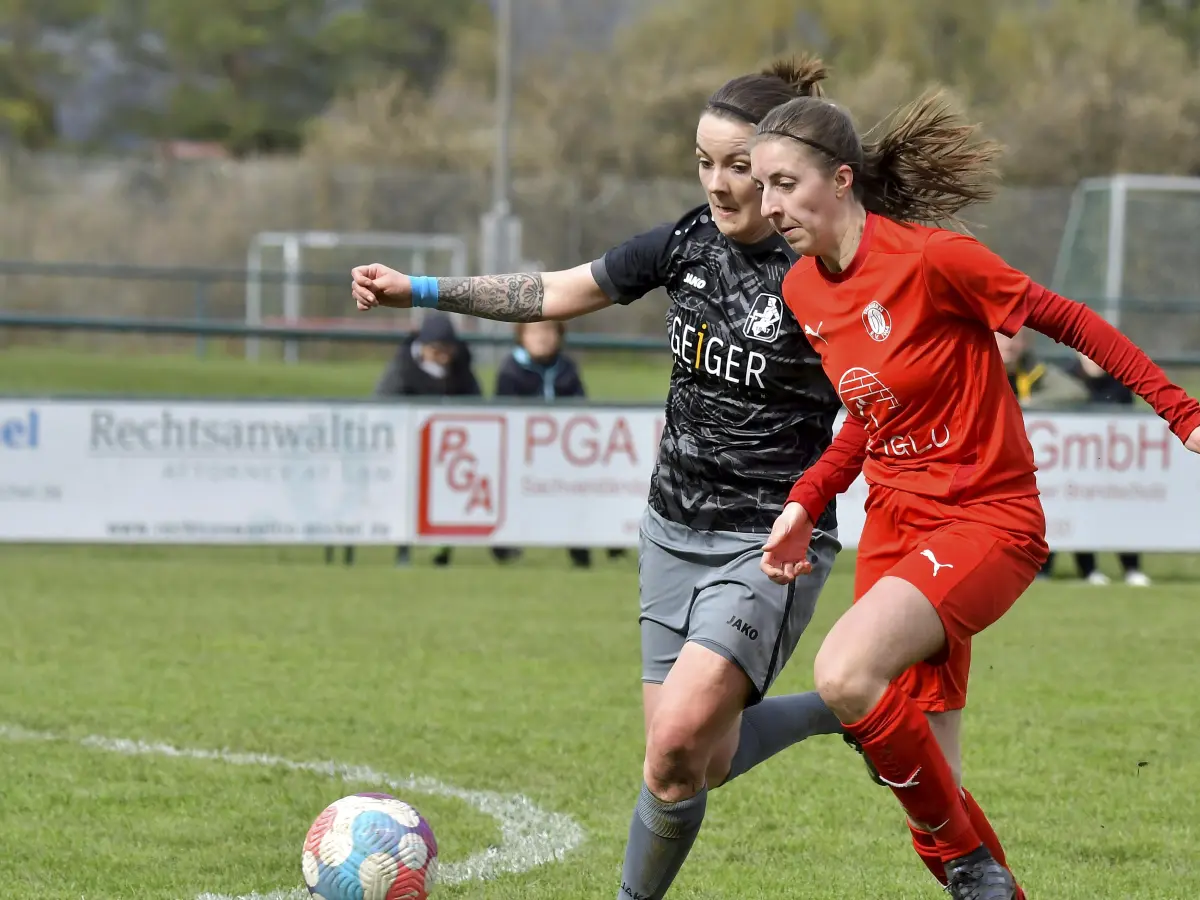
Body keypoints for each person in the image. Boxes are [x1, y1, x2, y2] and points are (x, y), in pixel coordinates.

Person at [348, 57, 852, 900]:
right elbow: (553, 290)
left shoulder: (827, 270)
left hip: (770, 541)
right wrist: (421, 291)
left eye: (739, 168)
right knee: (697, 763)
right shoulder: (686, 242)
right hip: (668, 530)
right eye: (704, 162)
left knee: (674, 748)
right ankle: (857, 706)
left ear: (778, 171)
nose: (720, 185)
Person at [749, 92, 1200, 900]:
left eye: (784, 183)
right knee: (927, 786)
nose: (768, 204)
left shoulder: (932, 259)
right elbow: (867, 415)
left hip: (985, 520)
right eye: (761, 185)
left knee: (846, 673)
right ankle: (985, 878)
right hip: (893, 528)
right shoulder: (805, 292)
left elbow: (1073, 321)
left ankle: (969, 865)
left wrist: (1184, 414)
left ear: (841, 180)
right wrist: (806, 502)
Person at [491, 320, 626, 569]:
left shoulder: (567, 368)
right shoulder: (510, 370)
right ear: (521, 335)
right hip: (522, 454)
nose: (542, 338)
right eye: (534, 332)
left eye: (549, 331)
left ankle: (597, 543)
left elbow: (582, 410)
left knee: (594, 480)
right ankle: (503, 546)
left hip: (566, 453)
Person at [373, 311, 481, 567]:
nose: (444, 356)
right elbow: (383, 408)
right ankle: (404, 550)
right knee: (406, 499)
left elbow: (476, 404)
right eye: (437, 349)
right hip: (409, 450)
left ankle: (443, 550)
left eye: (448, 349)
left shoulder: (461, 367)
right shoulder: (401, 369)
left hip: (451, 452)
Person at [996, 330, 1084, 581]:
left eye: (1014, 337)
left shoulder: (1037, 372)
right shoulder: (973, 366)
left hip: (1029, 461)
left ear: (1026, 342)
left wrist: (1030, 405)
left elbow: (1075, 392)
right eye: (1001, 337)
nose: (1008, 345)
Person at [1064, 352, 1151, 586]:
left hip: (1114, 460)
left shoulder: (1120, 383)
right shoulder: (1067, 379)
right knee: (1082, 512)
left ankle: (1131, 568)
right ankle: (1089, 570)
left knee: (1122, 510)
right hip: (1076, 460)